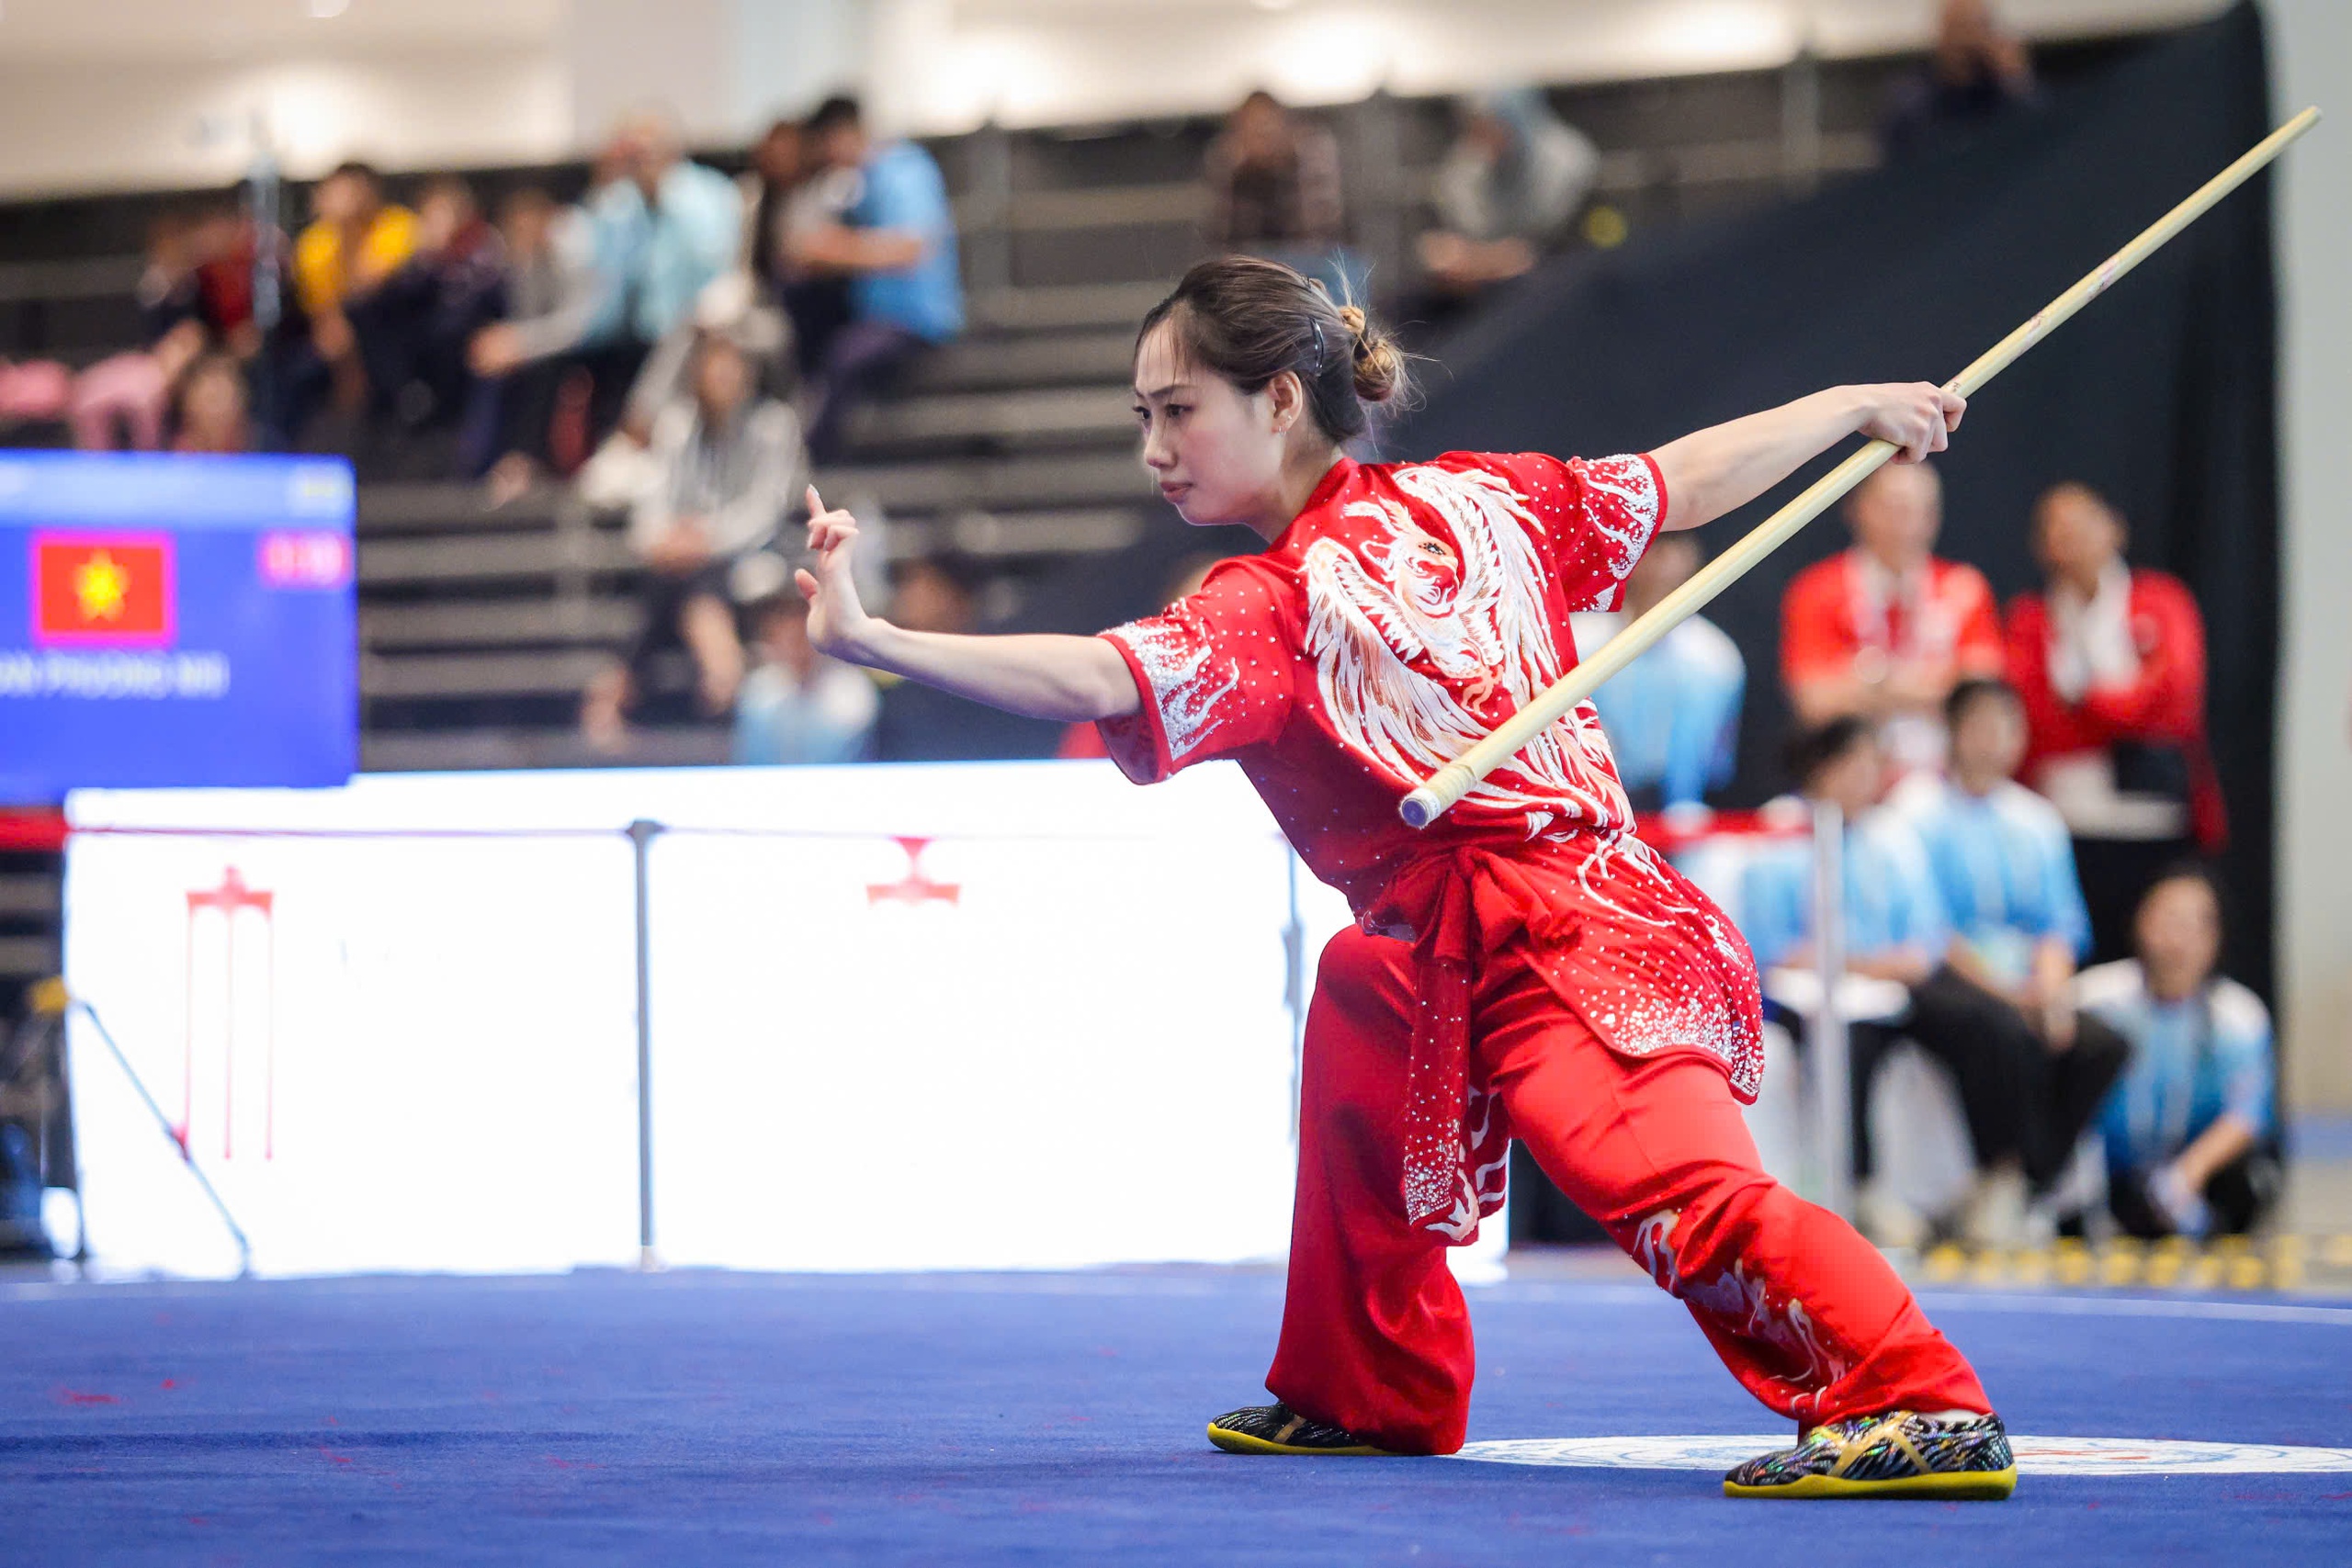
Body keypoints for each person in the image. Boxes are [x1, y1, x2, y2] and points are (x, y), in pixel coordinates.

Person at [791, 254, 2015, 1498]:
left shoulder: (1269, 602)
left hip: (1566, 932)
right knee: (1364, 986)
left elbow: (1100, 677)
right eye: (1141, 418)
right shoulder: (1480, 496)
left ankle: (1919, 1397)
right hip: (1446, 933)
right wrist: (1851, 403)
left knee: (1666, 1182)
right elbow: (1680, 478)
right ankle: (1370, 1389)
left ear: (1277, 401)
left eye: (1179, 411)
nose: (1154, 447)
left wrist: (875, 640)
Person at [1886, 679, 2133, 1233]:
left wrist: (2049, 993)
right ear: (1952, 731)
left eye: (2007, 725)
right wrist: (2012, 996)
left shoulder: (2037, 819)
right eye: (1981, 724)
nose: (1995, 739)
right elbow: (1926, 927)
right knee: (1997, 1029)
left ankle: (2029, 1181)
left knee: (2101, 1043)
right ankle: (1998, 1170)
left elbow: (2058, 924)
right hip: (1946, 978)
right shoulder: (1914, 813)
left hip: (2025, 982)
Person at [2004, 481, 2221, 963]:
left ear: (2114, 528)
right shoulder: (2030, 619)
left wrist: (2082, 701)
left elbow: (2174, 706)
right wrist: (2123, 704)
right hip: (2066, 823)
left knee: (2160, 953)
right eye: (2054, 528)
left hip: (2157, 819)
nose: (2069, 537)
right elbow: (2036, 723)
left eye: (2081, 523)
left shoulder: (2161, 601)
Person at [582, 333, 805, 749]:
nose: (721, 378)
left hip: (750, 550)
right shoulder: (678, 424)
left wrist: (706, 538)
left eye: (731, 368)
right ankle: (722, 668)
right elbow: (655, 497)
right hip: (683, 556)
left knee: (688, 581)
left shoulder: (774, 425)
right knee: (677, 578)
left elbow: (765, 510)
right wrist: (663, 539)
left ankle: (619, 685)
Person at [2079, 866, 2275, 1238]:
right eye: (2168, 920)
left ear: (2214, 938)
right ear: (2140, 922)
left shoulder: (2239, 1017)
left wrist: (2187, 1174)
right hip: (2108, 1175)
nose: (2177, 940)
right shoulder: (2092, 1002)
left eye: (2194, 925)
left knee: (2250, 1184)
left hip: (2194, 1177)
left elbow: (2246, 1116)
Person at [1780, 460, 2005, 773]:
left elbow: (1979, 699)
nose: (1911, 525)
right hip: (1848, 779)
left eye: (1924, 511)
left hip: (1948, 781)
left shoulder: (1964, 588)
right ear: (1858, 509)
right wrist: (1937, 684)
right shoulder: (1816, 590)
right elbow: (1815, 702)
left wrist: (1871, 681)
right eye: (1897, 509)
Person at [787, 96, 964, 463]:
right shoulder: (860, 183)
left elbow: (911, 249)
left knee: (844, 356)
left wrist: (835, 250)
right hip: (873, 317)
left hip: (914, 321)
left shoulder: (905, 171)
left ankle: (812, 464)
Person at [1569, 533, 1744, 815]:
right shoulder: (1576, 641)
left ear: (1692, 557)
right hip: (1582, 800)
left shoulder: (1716, 659)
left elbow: (1714, 765)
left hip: (1675, 813)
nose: (1662, 563)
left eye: (1674, 548)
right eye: (1655, 547)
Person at [1418, 89, 1600, 304]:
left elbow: (1586, 251)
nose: (1485, 145)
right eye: (1476, 131)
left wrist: (1514, 258)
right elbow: (1444, 249)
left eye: (1494, 129)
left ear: (1517, 124)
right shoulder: (1464, 174)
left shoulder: (1570, 168)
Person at [1204, 92, 1360, 306]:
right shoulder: (1231, 165)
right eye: (1253, 128)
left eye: (1267, 124)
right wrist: (1241, 172)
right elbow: (1228, 241)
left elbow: (1321, 229)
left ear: (1284, 123)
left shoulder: (1312, 153)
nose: (1262, 134)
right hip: (1257, 266)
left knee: (1346, 271)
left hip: (1317, 261)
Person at [290, 162, 420, 420]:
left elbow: (367, 286)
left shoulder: (397, 224)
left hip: (394, 328)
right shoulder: (313, 244)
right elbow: (321, 311)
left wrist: (347, 231)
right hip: (342, 333)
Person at [731, 587, 878, 765]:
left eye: (802, 623)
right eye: (783, 624)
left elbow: (841, 758)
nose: (794, 635)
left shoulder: (852, 689)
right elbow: (753, 760)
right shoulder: (758, 690)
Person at [1882, 0, 2040, 162]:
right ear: (1942, 33)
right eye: (1958, 28)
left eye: (1975, 27)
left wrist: (2016, 79)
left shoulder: (2000, 90)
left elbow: (2041, 138)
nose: (1965, 40)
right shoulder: (1913, 95)